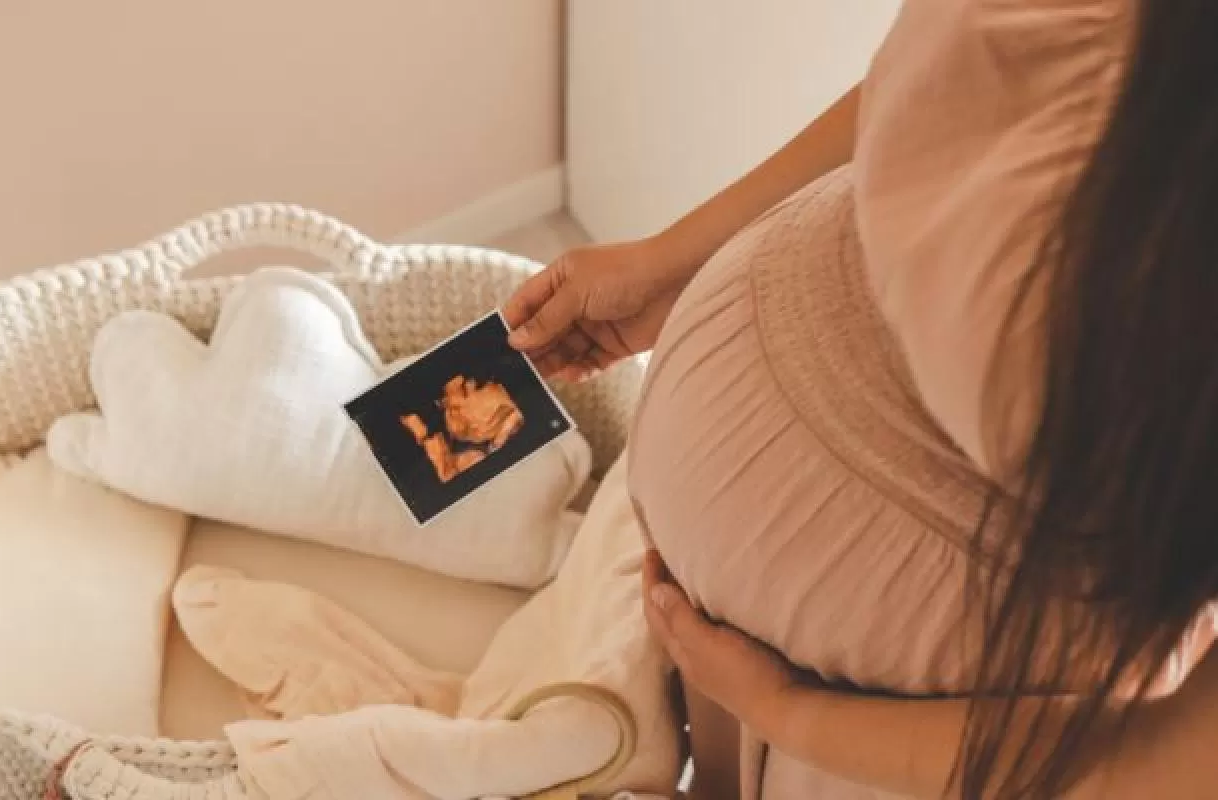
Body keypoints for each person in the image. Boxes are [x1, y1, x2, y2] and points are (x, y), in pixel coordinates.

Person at [502, 1, 1218, 797]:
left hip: (911, 726)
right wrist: (675, 262)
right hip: (731, 626)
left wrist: (788, 712)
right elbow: (923, 92)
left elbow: (1181, 760)